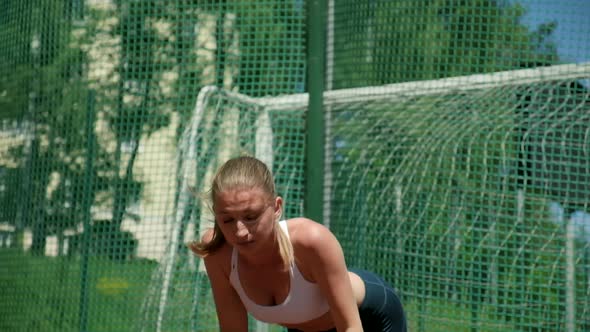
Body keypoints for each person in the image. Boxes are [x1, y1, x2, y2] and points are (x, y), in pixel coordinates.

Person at [189, 156, 407, 332]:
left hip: (369, 318)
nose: (240, 231)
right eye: (227, 220)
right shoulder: (217, 253)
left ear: (276, 208)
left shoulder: (311, 240)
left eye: (251, 216)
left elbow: (350, 327)